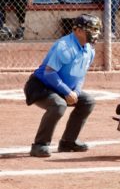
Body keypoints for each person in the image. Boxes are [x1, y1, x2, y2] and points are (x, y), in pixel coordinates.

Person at [24, 14, 102, 157]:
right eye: (91, 29)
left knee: (88, 101)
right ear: (77, 30)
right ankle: (40, 145)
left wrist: (76, 93)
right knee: (58, 104)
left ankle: (68, 142)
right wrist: (67, 91)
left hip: (61, 87)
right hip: (40, 86)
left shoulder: (89, 50)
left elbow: (80, 75)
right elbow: (49, 73)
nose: (95, 33)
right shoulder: (65, 46)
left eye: (97, 30)